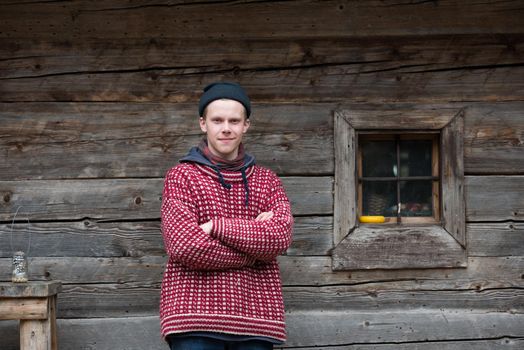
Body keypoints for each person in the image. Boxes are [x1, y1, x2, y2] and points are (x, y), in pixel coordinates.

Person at [160, 82, 294, 350]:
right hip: (193, 318)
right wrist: (254, 252)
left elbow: (279, 238)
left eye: (234, 120)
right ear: (203, 123)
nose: (226, 128)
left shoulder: (267, 180)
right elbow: (185, 247)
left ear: (246, 126)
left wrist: (215, 226)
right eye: (217, 120)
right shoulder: (181, 176)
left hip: (256, 318)